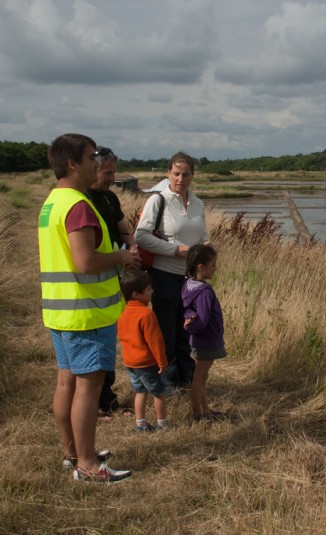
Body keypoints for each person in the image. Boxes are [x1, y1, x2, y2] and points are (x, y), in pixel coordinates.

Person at [39, 133, 139, 483]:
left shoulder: (53, 202)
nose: (97, 163)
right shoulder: (78, 205)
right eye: (91, 156)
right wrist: (122, 256)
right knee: (88, 385)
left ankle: (73, 453)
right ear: (72, 163)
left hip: (61, 311)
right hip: (86, 312)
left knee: (67, 382)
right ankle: (88, 465)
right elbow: (85, 261)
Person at [134, 152, 208, 390]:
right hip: (164, 275)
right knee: (167, 332)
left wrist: (205, 247)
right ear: (168, 174)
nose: (180, 179)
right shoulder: (159, 200)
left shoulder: (198, 203)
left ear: (192, 176)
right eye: (176, 173)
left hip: (191, 279)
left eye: (186, 174)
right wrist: (176, 250)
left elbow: (202, 234)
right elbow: (141, 236)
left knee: (187, 330)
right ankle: (167, 383)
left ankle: (186, 379)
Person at [85, 146, 135, 416]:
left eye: (114, 172)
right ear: (93, 169)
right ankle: (101, 402)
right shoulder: (82, 200)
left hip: (110, 282)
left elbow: (122, 228)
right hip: (91, 284)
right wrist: (121, 256)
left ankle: (105, 398)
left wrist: (131, 245)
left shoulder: (110, 198)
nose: (112, 178)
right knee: (96, 348)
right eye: (107, 173)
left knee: (106, 344)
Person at [117, 269, 175, 432]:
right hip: (146, 363)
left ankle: (140, 424)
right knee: (159, 393)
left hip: (130, 362)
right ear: (136, 294)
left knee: (140, 392)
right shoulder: (147, 315)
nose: (152, 291)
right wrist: (162, 361)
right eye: (148, 289)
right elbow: (155, 341)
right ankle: (162, 424)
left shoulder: (123, 314)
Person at [182, 244, 227, 422]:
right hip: (207, 339)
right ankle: (198, 414)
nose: (215, 268)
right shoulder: (204, 292)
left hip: (199, 339)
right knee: (199, 377)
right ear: (201, 267)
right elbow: (202, 318)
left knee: (202, 376)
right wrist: (191, 327)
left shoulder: (189, 285)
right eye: (213, 265)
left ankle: (205, 410)